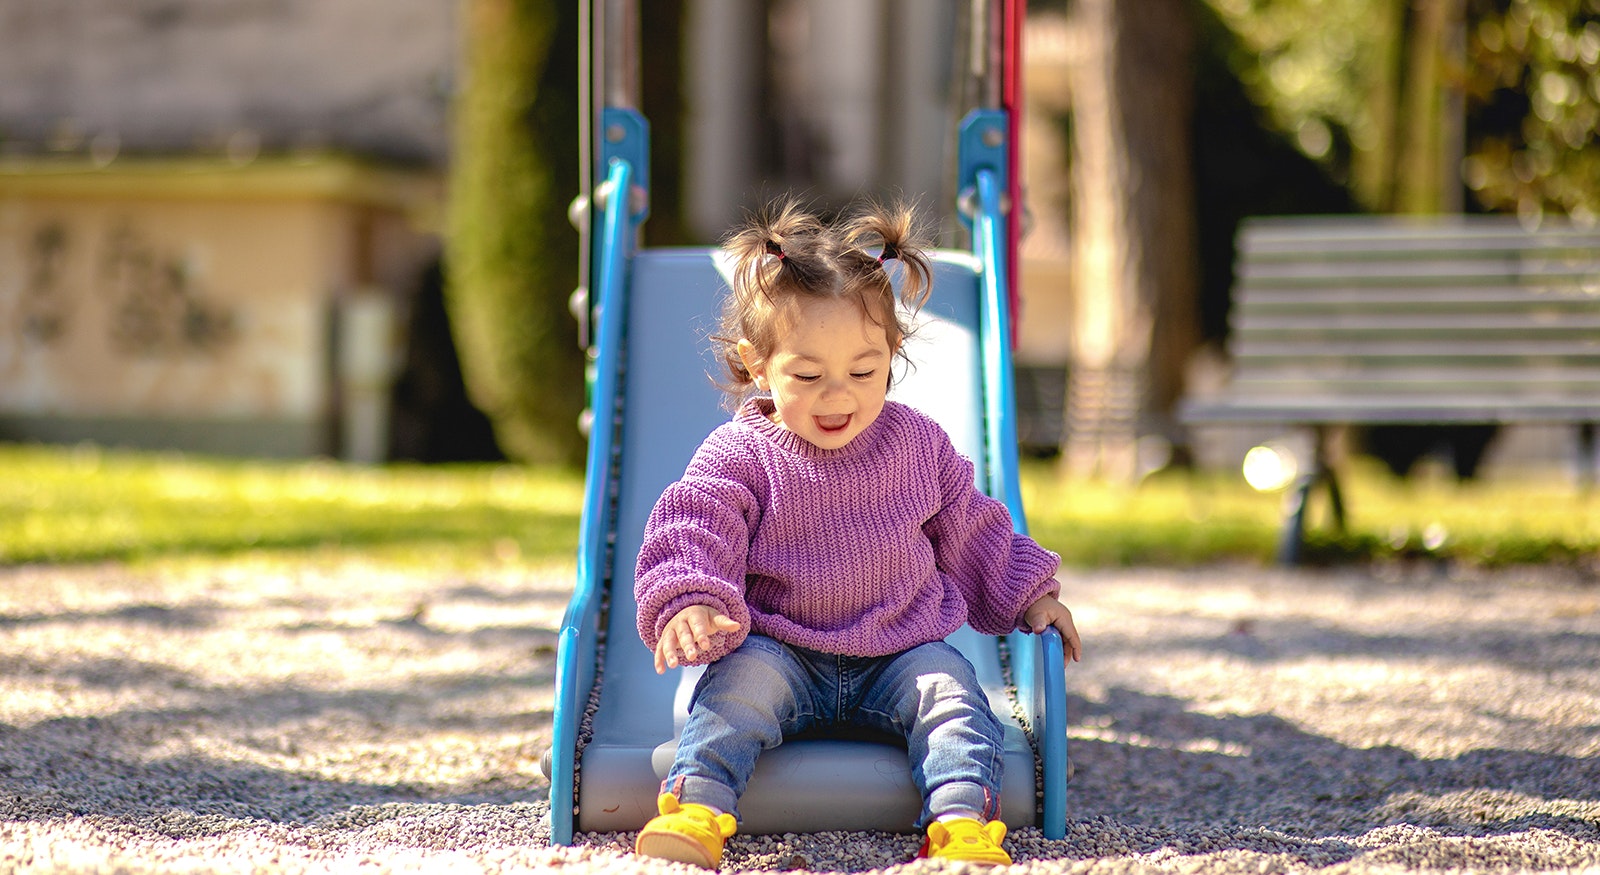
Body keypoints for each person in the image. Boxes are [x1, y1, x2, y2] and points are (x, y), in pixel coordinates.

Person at [631, 198, 1083, 868]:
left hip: (901, 648)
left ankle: (959, 821)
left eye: (863, 371)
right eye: (808, 376)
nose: (837, 395)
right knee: (736, 693)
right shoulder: (741, 454)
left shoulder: (917, 445)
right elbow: (696, 524)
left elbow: (972, 527)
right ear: (760, 366)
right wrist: (688, 597)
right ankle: (698, 807)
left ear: (892, 353)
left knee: (954, 698)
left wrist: (1029, 594)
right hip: (781, 646)